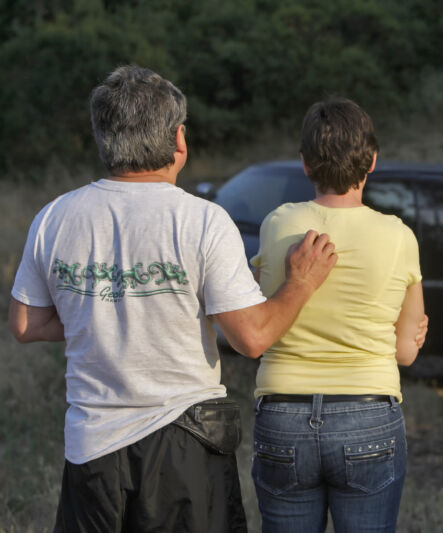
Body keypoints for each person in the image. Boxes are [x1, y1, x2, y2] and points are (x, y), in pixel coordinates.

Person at [8, 66, 337, 533]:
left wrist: (106, 308)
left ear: (103, 138)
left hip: (90, 452)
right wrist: (300, 283)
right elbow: (252, 337)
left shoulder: (54, 217)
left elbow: (26, 324)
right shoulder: (202, 221)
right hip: (186, 447)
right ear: (179, 139)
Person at [249, 98, 427, 533]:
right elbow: (405, 353)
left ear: (306, 164)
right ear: (372, 161)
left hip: (283, 415)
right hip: (368, 416)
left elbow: (260, 312)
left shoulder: (278, 224)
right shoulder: (398, 237)